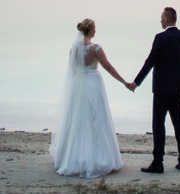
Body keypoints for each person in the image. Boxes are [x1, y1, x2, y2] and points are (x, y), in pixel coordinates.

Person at [49, 18, 133, 178]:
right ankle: (96, 157)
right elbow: (108, 67)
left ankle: (73, 156)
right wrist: (124, 82)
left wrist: (74, 89)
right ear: (90, 30)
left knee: (78, 120)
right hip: (93, 85)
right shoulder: (96, 48)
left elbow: (72, 70)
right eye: (95, 28)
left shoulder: (73, 48)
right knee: (95, 118)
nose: (96, 31)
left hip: (78, 86)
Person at [128, 6, 180, 173]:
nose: (160, 21)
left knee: (158, 125)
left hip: (162, 89)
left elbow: (150, 62)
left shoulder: (160, 38)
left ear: (166, 20)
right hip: (178, 88)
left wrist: (136, 82)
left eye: (161, 18)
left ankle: (158, 162)